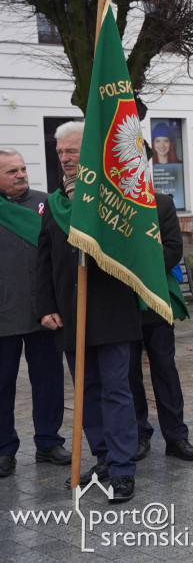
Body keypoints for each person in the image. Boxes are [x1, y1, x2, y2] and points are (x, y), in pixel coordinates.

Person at [35, 121, 139, 502]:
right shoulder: (55, 203)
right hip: (69, 312)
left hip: (111, 310)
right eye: (60, 152)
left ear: (91, 152)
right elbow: (43, 260)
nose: (65, 158)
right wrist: (45, 307)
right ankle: (104, 457)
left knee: (115, 389)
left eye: (73, 151)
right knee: (87, 389)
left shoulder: (113, 199)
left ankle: (125, 468)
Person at [0, 148, 70, 479]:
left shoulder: (48, 204)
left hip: (44, 314)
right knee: (2, 385)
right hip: (3, 315)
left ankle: (48, 442)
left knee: (49, 381)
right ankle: (3, 448)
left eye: (23, 168)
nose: (21, 175)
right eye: (12, 171)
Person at [128, 188, 193, 463]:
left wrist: (140, 273)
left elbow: (172, 247)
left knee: (165, 368)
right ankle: (137, 434)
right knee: (127, 371)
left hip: (155, 296)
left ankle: (176, 436)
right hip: (120, 301)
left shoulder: (161, 202)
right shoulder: (108, 200)